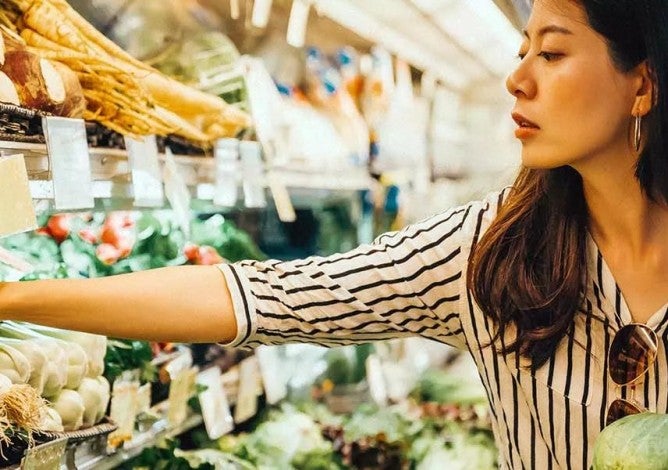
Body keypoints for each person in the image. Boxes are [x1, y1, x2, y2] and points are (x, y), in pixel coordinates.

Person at [1, 0, 667, 468]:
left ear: (643, 83)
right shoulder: (487, 254)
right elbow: (261, 297)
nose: (516, 77)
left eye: (551, 52)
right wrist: (11, 299)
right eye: (523, 49)